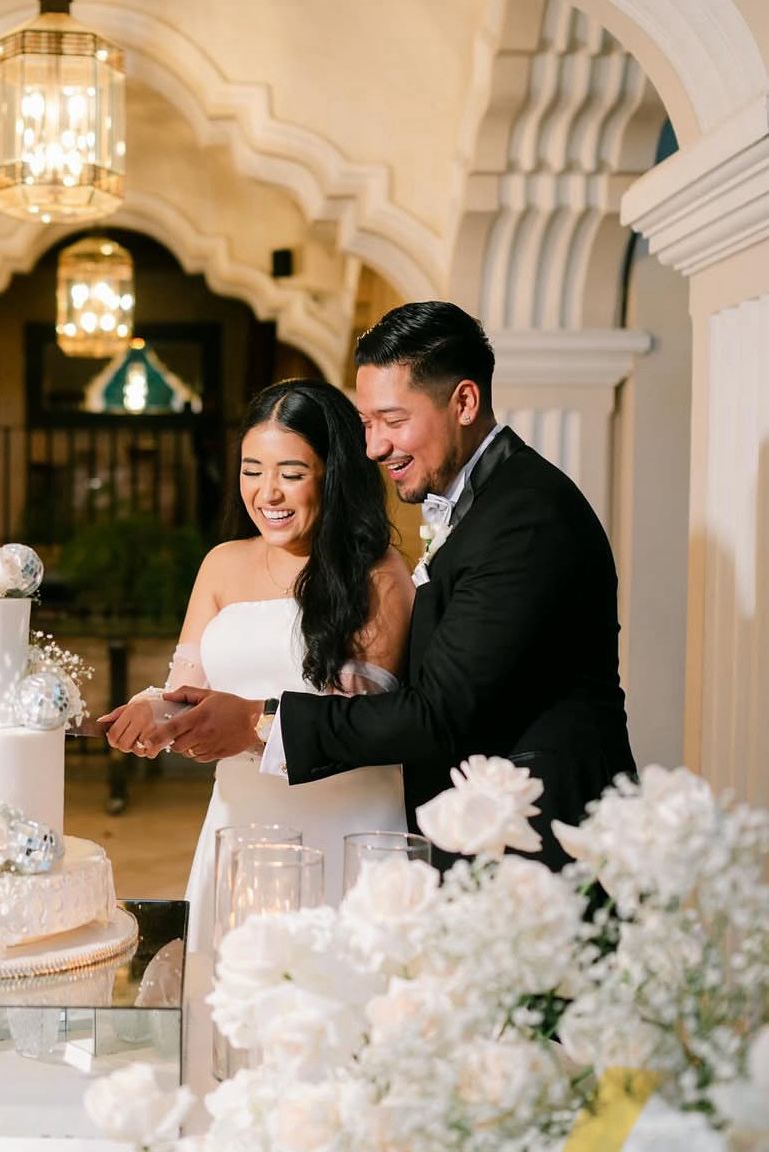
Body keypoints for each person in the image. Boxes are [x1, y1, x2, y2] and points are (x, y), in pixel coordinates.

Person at [154, 302, 636, 872]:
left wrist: (260, 720)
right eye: (367, 423)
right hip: (486, 838)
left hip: (540, 842)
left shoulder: (524, 517)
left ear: (463, 402)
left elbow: (440, 713)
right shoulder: (484, 505)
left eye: (393, 420)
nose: (375, 446)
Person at [100, 378, 413, 951]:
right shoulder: (222, 564)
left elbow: (367, 727)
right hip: (239, 825)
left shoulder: (379, 576)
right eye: (251, 471)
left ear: (334, 473)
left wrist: (248, 723)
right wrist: (154, 714)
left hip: (344, 830)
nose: (267, 493)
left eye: (291, 474)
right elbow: (185, 689)